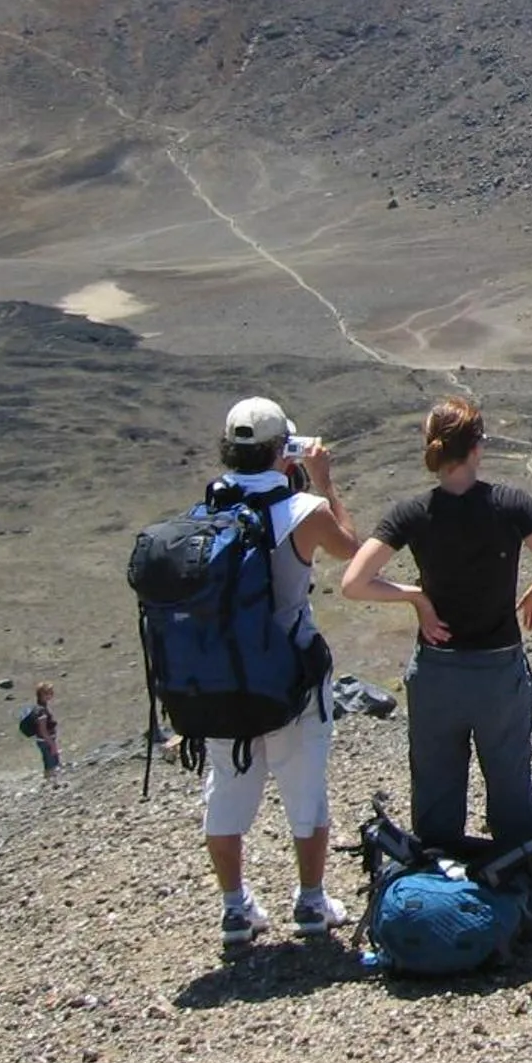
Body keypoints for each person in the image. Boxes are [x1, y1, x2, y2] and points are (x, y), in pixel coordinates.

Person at [342, 397, 532, 856]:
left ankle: (436, 889)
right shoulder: (511, 504)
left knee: (435, 783)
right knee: (509, 778)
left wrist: (415, 597)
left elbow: (354, 583)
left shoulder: (411, 513)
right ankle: (517, 884)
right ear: (477, 448)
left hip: (436, 674)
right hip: (497, 674)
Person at [204, 396, 361, 950]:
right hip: (292, 671)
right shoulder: (304, 511)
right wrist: (323, 482)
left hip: (224, 678)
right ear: (282, 451)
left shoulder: (207, 513)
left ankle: (233, 908)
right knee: (304, 788)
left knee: (227, 790)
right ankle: (312, 901)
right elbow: (354, 552)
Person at [29, 682, 61, 779]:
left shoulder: (38, 708)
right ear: (43, 695)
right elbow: (43, 730)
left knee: (48, 761)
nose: (51, 695)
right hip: (46, 740)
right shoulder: (41, 711)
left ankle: (50, 780)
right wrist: (52, 744)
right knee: (52, 762)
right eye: (49, 693)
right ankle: (53, 782)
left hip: (42, 740)